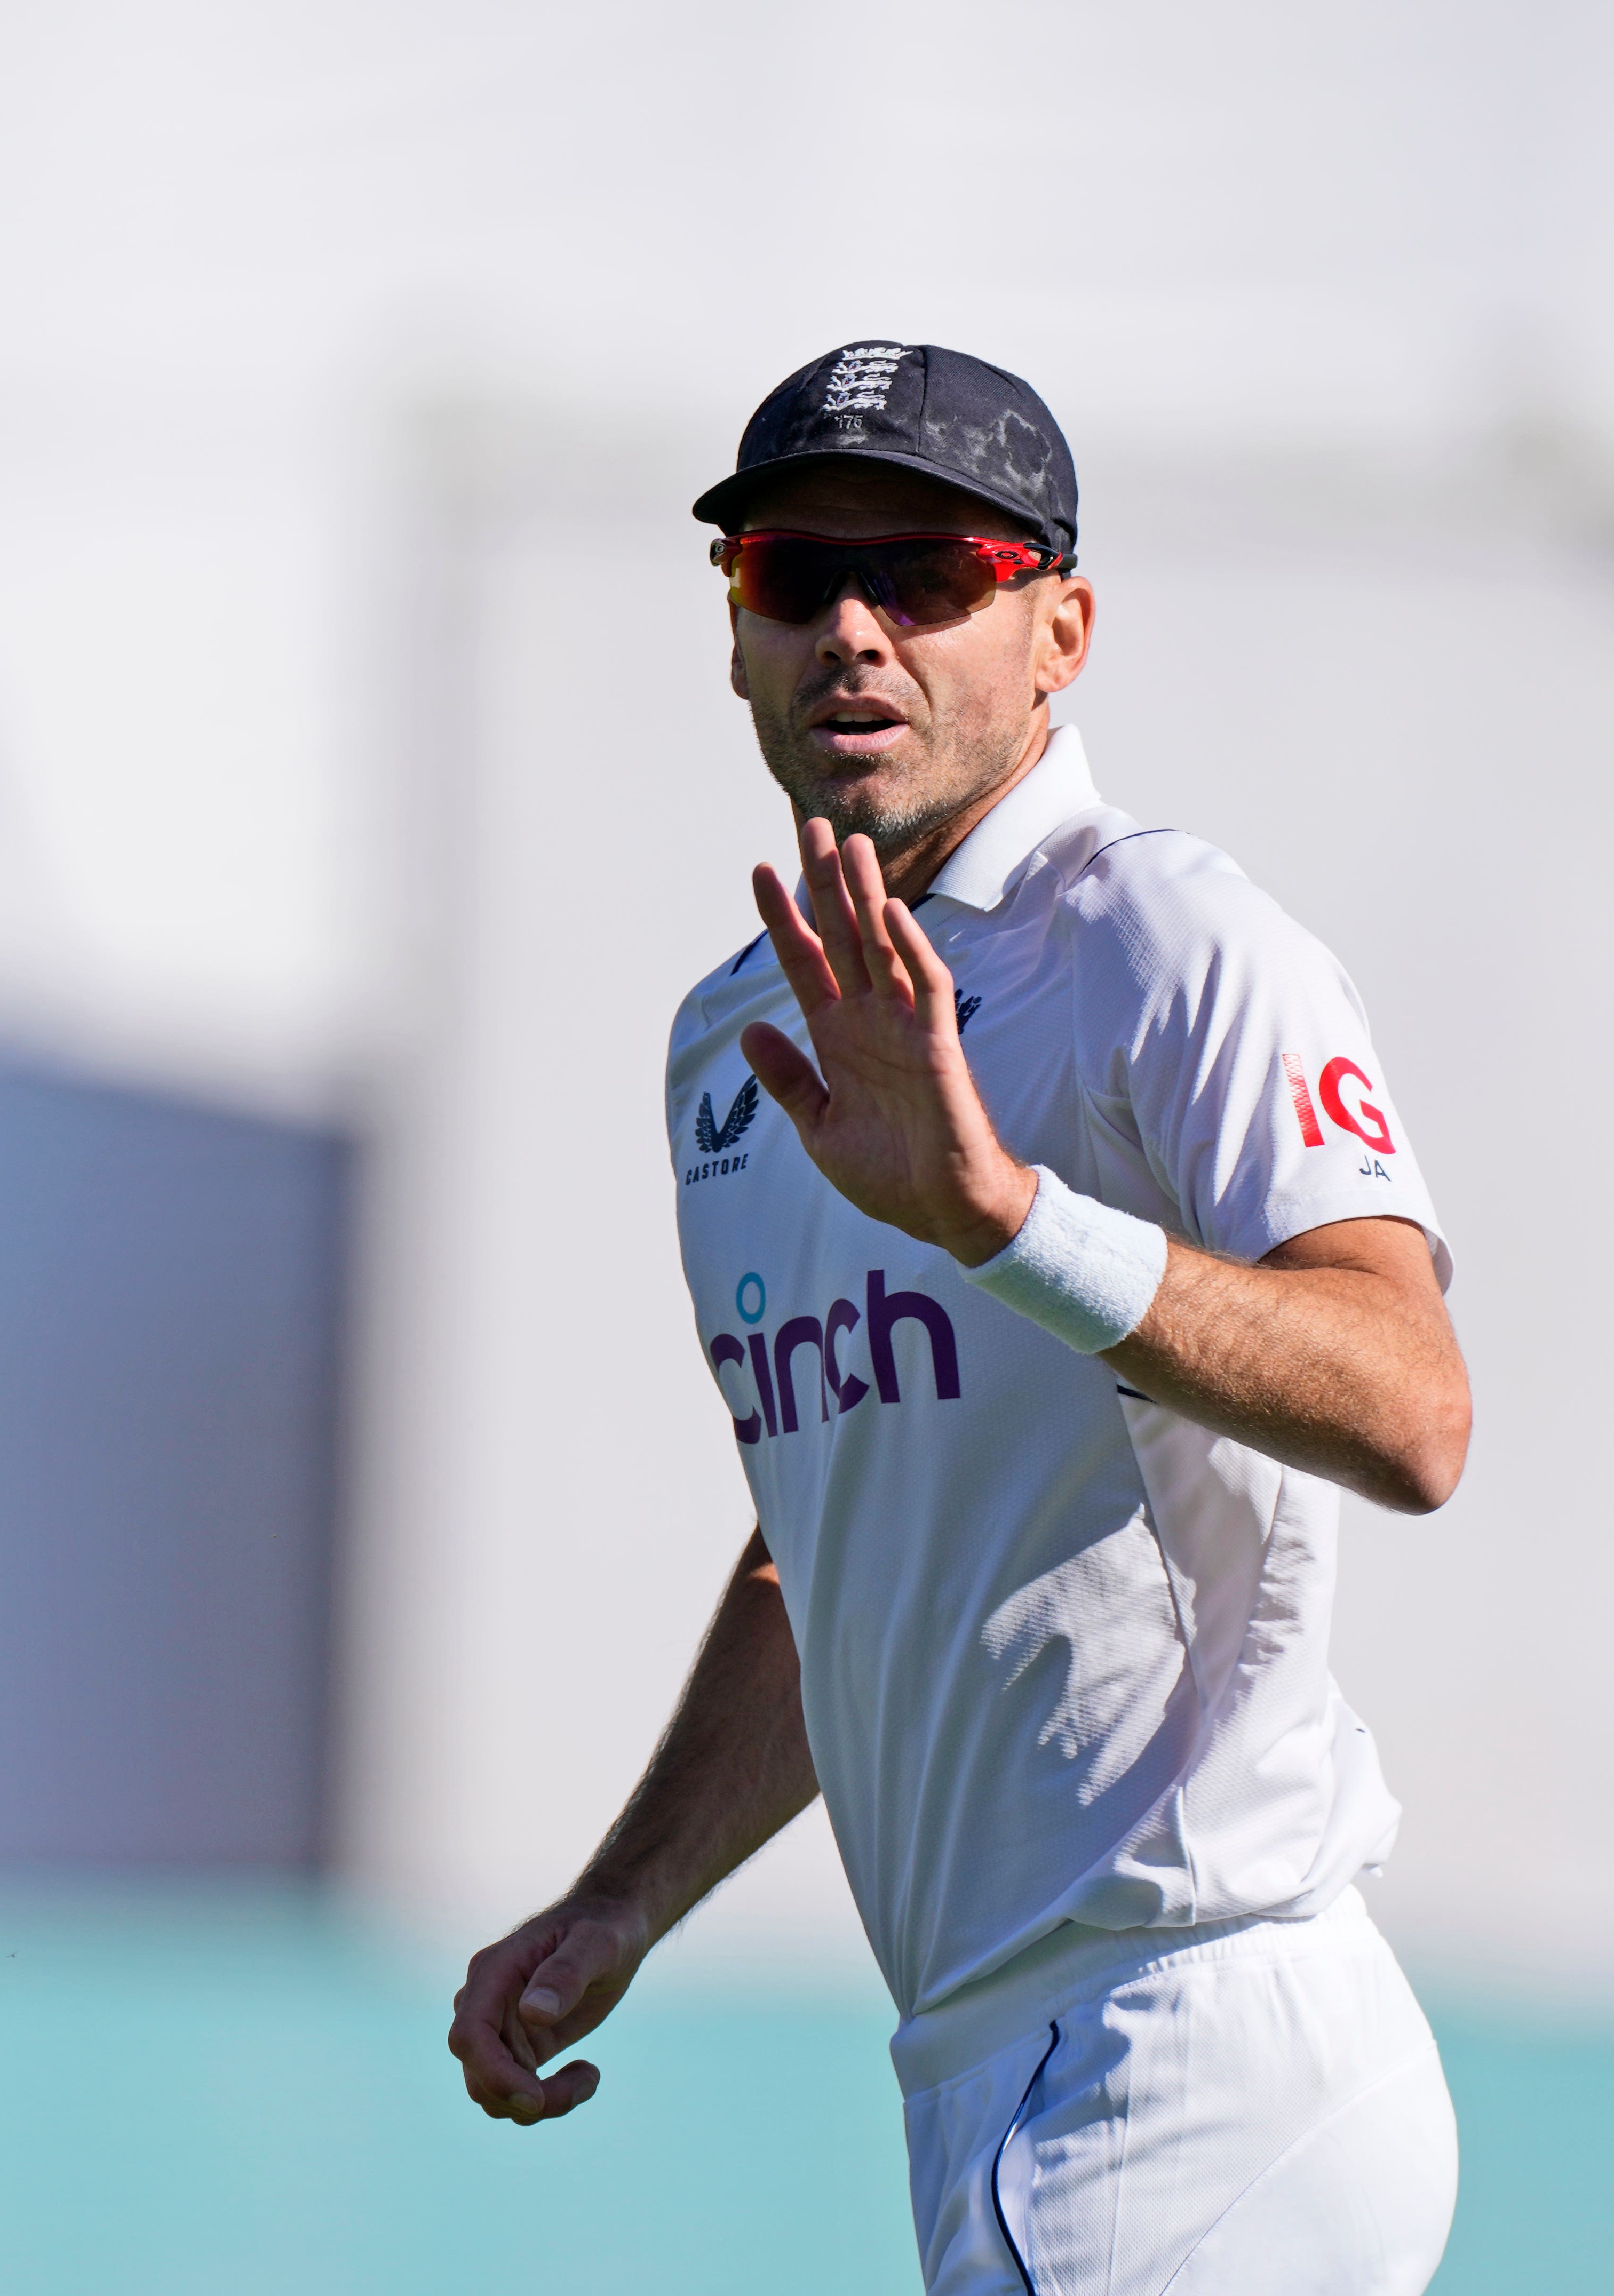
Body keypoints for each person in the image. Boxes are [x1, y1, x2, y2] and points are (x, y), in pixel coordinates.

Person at [447, 341, 1473, 2295]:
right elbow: (832, 1547)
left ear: (1060, 627)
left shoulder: (1167, 944)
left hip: (1196, 2029)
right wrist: (623, 1903)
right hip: (987, 2063)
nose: (854, 629)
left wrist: (1008, 1217)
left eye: (927, 573)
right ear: (735, 633)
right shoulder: (728, 1051)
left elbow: (1413, 1409)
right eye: (790, 575)